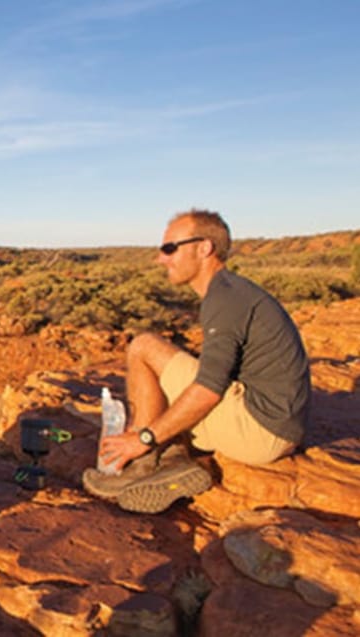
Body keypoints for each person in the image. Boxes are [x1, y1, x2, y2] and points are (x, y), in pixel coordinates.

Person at [84, 209, 310, 514]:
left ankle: (141, 463)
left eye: (169, 249)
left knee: (143, 347)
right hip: (272, 424)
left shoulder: (225, 299)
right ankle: (175, 461)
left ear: (204, 248)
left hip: (260, 431)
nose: (161, 259)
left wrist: (143, 438)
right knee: (174, 376)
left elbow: (207, 389)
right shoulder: (230, 291)